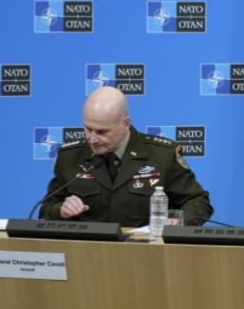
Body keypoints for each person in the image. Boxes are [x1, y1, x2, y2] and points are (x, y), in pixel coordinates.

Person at [40, 86, 213, 226]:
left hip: (146, 255)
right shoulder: (69, 156)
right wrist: (61, 210)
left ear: (125, 124)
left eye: (101, 132)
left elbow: (198, 202)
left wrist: (179, 221)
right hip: (87, 257)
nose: (92, 139)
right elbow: (46, 209)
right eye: (87, 128)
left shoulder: (162, 155)